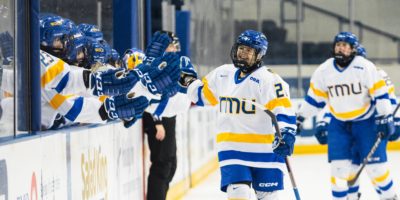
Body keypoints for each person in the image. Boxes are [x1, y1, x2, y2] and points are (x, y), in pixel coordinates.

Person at [181, 29, 297, 200]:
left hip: (265, 151)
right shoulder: (222, 74)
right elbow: (202, 96)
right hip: (231, 150)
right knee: (238, 195)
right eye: (241, 48)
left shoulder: (269, 80)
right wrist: (189, 81)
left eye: (249, 50)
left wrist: (287, 133)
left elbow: (283, 110)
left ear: (259, 55)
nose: (242, 53)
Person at [296, 32, 398, 200]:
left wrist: (386, 116)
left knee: (376, 169)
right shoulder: (324, 70)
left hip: (367, 122)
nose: (340, 48)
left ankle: (390, 197)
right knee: (339, 171)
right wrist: (299, 118)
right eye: (338, 44)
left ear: (353, 49)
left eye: (344, 45)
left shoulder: (365, 67)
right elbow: (315, 100)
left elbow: (381, 94)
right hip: (340, 125)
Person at [138, 31, 192, 200]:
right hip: (157, 118)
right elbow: (148, 94)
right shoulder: (152, 63)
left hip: (167, 117)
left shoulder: (170, 64)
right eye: (171, 45)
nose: (174, 49)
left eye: (175, 45)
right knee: (162, 164)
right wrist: (157, 121)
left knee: (171, 164)